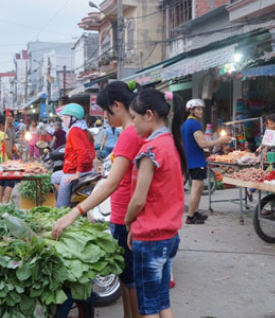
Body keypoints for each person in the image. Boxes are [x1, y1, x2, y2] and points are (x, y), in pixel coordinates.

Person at [52, 81, 141, 318]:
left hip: (126, 217)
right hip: (122, 215)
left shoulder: (130, 134)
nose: (103, 116)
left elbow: (112, 183)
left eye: (105, 110)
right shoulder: (128, 133)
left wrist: (74, 213)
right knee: (126, 278)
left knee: (132, 282)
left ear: (117, 105)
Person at [124, 88, 186, 318]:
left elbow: (138, 200)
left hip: (150, 238)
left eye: (134, 118)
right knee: (162, 302)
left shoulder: (150, 150)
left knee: (149, 308)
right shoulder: (170, 142)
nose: (133, 124)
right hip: (170, 236)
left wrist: (128, 220)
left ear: (148, 115)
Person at [181, 99, 231, 224]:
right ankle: (191, 216)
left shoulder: (185, 125)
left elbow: (190, 144)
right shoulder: (194, 124)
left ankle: (196, 212)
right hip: (196, 161)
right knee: (196, 188)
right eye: (198, 109)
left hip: (191, 159)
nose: (201, 111)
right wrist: (220, 140)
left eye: (201, 109)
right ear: (191, 110)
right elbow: (201, 143)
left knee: (199, 186)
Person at [51, 103, 96, 208]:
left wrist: (77, 173)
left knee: (61, 206)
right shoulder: (85, 130)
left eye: (66, 117)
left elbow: (82, 152)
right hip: (88, 170)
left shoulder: (74, 131)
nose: (63, 120)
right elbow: (90, 152)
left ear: (73, 118)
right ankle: (71, 196)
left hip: (75, 171)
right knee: (54, 177)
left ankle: (63, 210)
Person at [0, 114, 16, 204]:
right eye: (6, 123)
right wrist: (13, 161)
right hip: (6, 163)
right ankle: (6, 203)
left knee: (1, 182)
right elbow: (7, 150)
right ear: (1, 124)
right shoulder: (3, 135)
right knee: (10, 183)